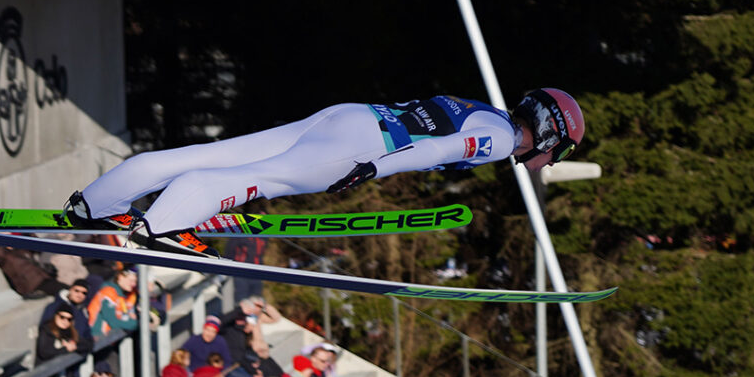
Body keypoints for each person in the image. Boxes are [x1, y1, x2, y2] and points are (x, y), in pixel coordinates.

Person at [65, 90, 585, 255]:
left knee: (216, 153)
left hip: (350, 115)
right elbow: (437, 150)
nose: (548, 159)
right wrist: (374, 167)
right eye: (556, 150)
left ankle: (97, 201)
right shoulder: (498, 138)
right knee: (260, 178)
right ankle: (160, 227)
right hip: (365, 143)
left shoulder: (486, 110)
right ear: (547, 133)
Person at [36, 300, 85, 377]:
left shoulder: (71, 332)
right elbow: (44, 351)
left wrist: (75, 346)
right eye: (62, 317)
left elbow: (87, 344)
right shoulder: (47, 330)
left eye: (69, 319)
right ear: (56, 316)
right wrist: (65, 349)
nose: (65, 321)